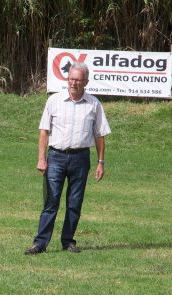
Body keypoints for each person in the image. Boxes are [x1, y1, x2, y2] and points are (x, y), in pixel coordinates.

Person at [25, 62, 111, 255]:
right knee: (51, 201)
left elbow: (100, 135)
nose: (74, 83)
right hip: (56, 157)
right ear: (67, 79)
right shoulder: (54, 101)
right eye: (71, 79)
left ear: (86, 82)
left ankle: (68, 241)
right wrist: (41, 158)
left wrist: (101, 162)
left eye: (78, 80)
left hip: (81, 158)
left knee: (75, 202)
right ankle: (40, 244)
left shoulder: (94, 104)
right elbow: (44, 131)